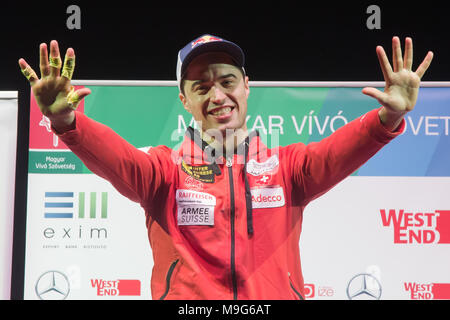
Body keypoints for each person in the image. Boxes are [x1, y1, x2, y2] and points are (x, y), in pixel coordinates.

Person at [19, 34, 433, 300]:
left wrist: (388, 119)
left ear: (247, 86)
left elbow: (339, 151)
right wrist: (66, 122)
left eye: (227, 81)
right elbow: (118, 159)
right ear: (185, 100)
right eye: (201, 86)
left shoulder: (288, 167)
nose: (217, 94)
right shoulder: (163, 171)